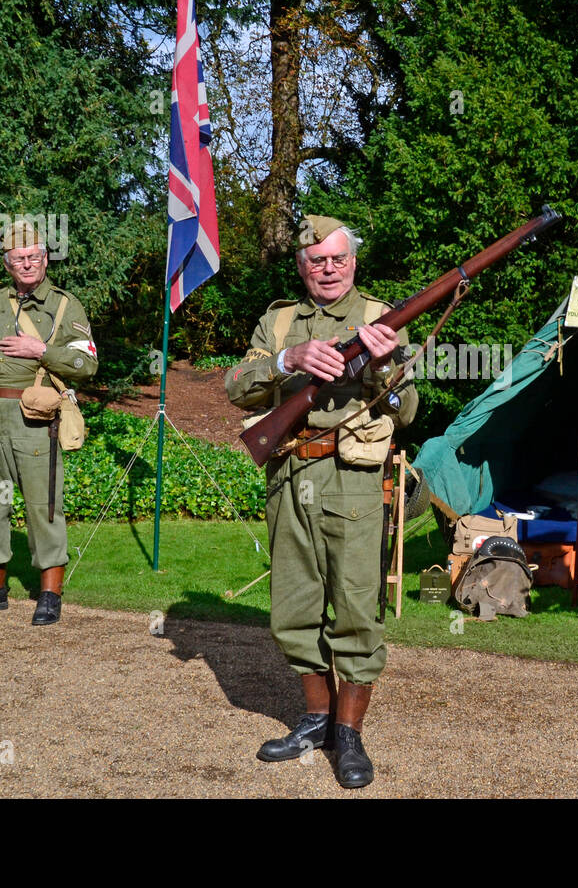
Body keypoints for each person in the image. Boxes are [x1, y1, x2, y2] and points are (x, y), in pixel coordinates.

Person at [226, 215, 418, 788]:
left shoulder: (381, 319)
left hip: (354, 478)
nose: (327, 270)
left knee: (357, 609)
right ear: (301, 266)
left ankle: (349, 733)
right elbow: (237, 382)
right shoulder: (279, 320)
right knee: (294, 605)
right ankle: (315, 718)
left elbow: (408, 412)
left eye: (337, 260)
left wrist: (384, 364)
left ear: (352, 263)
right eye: (316, 261)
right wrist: (289, 360)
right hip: (289, 474)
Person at [0, 220, 97, 626]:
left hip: (35, 419)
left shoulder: (65, 306)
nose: (27, 264)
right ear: (7, 264)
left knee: (43, 506)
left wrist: (42, 349)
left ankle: (49, 593)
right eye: (19, 258)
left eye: (34, 256)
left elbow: (87, 363)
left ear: (46, 259)